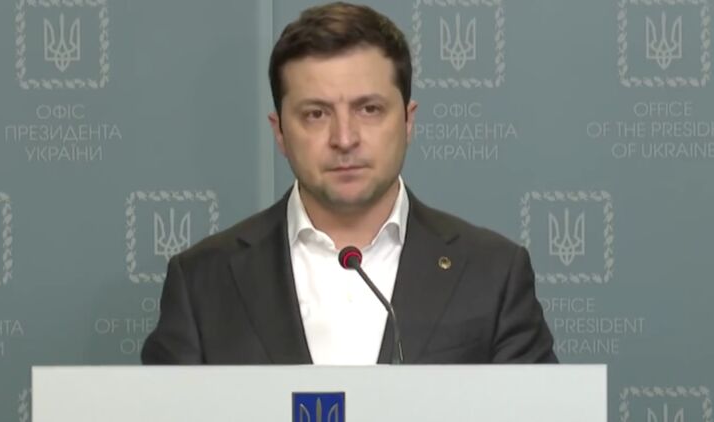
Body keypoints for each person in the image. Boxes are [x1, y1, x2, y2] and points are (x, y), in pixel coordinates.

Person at [141, 2, 557, 365]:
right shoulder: (202, 282)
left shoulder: (492, 273)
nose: (344, 138)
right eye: (316, 114)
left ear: (408, 121)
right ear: (280, 132)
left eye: (369, 109)